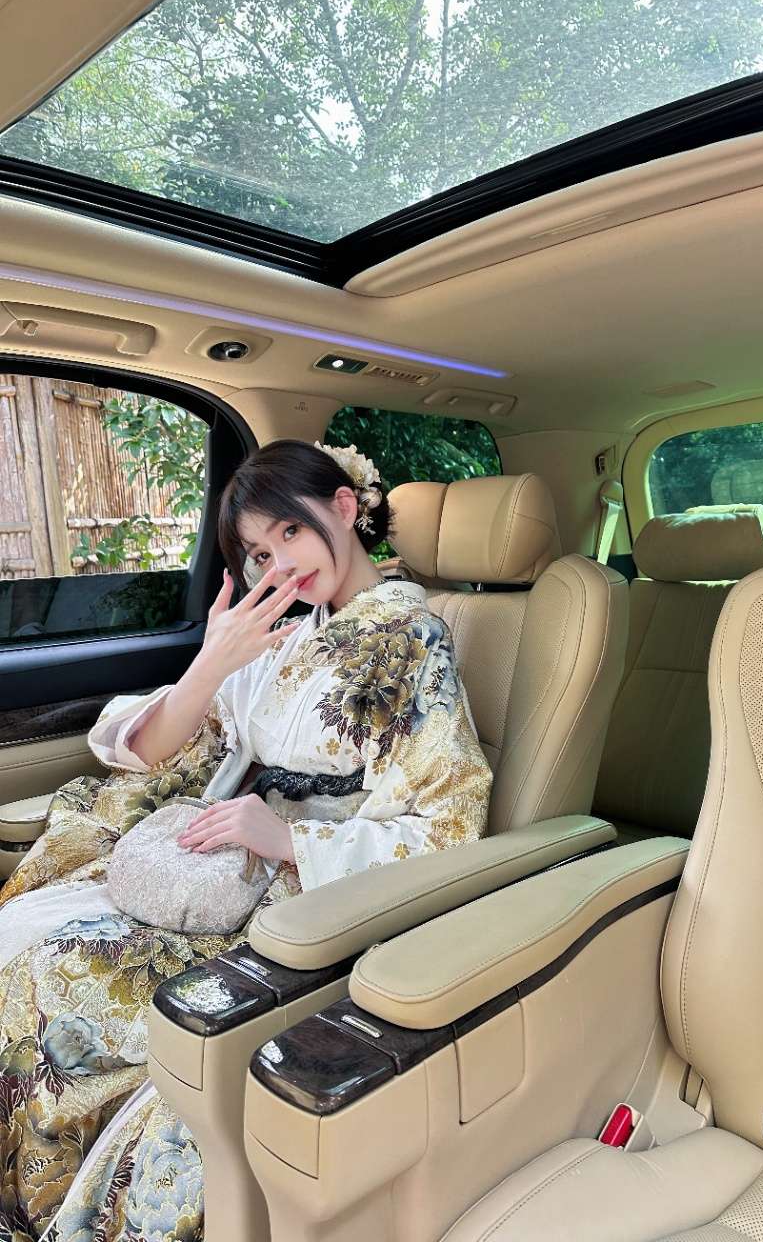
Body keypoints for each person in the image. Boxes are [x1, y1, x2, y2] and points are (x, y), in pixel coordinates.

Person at [0, 439, 492, 1242]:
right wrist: (210, 663)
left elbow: (450, 822)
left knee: (56, 975)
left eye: (290, 533)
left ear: (344, 507)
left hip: (312, 893)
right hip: (224, 858)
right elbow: (156, 748)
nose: (280, 565)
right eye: (260, 553)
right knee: (26, 944)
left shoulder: (412, 638)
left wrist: (291, 837)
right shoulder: (286, 635)